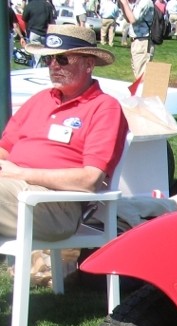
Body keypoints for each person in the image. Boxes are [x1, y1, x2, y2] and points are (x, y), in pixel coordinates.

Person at [0, 25, 129, 242]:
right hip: (15, 192)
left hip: (54, 205)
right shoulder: (40, 99)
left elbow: (90, 180)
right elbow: (4, 149)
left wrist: (20, 174)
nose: (53, 66)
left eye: (62, 59)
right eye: (48, 59)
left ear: (88, 64)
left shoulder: (105, 107)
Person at [117, 0, 153, 80]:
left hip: (143, 41)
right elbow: (128, 19)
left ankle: (143, 92)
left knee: (141, 76)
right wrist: (122, 4)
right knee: (138, 74)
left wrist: (125, 3)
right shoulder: (139, 2)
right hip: (138, 41)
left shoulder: (145, 2)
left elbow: (132, 19)